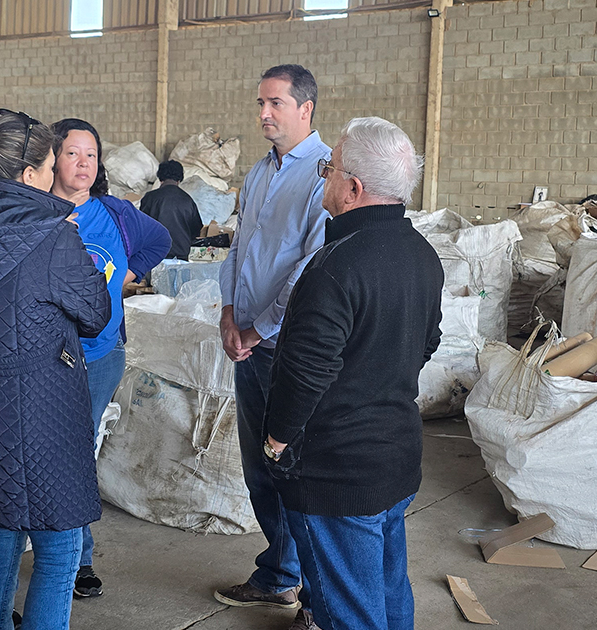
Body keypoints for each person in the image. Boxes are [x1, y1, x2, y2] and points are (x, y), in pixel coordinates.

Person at [263, 117, 443, 630]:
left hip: (336, 471)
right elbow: (427, 341)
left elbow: (305, 372)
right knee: (387, 591)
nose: (325, 178)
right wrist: (378, 375)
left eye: (329, 168)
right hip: (395, 455)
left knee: (349, 611)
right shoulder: (422, 254)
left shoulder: (335, 265)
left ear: (353, 187)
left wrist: (277, 439)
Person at [0, 109, 111, 630]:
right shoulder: (54, 235)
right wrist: (73, 249)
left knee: (0, 544)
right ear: (33, 172)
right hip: (41, 407)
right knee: (59, 552)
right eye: (56, 163)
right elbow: (96, 313)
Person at [214, 64, 331, 630]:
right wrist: (230, 313)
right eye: (260, 102)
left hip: (289, 350)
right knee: (260, 467)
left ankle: (316, 595)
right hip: (248, 343)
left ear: (305, 108)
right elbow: (239, 250)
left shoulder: (326, 174)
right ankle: (279, 574)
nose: (263, 113)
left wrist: (261, 329)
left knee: (296, 470)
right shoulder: (258, 173)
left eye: (275, 103)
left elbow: (311, 266)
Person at [49, 118, 172, 599]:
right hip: (46, 357)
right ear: (52, 159)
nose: (83, 164)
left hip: (100, 356)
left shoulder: (116, 213)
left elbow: (159, 241)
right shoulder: (38, 212)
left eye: (91, 155)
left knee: (77, 453)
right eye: (72, 153)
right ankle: (58, 549)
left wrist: (131, 273)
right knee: (57, 453)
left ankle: (76, 559)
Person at [139, 160, 203, 260]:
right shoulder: (187, 200)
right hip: (181, 257)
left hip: (154, 256)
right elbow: (196, 229)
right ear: (179, 179)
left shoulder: (150, 198)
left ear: (160, 178)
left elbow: (141, 227)